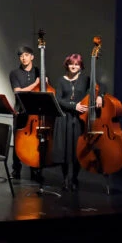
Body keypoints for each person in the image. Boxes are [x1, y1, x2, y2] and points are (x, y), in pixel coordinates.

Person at [52, 53, 103, 191]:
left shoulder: (85, 79)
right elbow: (58, 100)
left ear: (80, 66)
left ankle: (74, 178)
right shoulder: (61, 80)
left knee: (76, 150)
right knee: (64, 151)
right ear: (67, 65)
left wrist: (100, 97)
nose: (73, 66)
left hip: (79, 119)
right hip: (64, 118)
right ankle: (65, 179)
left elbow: (98, 87)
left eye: (76, 64)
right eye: (71, 64)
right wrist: (74, 106)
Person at [9, 46, 45, 181]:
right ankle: (16, 169)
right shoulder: (14, 73)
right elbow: (18, 92)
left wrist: (44, 82)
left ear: (32, 57)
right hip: (21, 111)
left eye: (26, 55)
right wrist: (36, 84)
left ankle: (35, 169)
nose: (23, 58)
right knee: (18, 140)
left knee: (35, 141)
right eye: (21, 56)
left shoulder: (39, 72)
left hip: (36, 113)